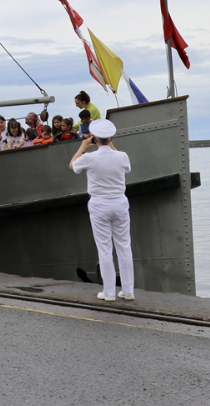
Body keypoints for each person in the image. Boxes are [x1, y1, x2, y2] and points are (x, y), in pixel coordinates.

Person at [69, 119, 134, 302]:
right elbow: (126, 168)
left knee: (104, 248)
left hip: (99, 205)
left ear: (94, 139)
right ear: (111, 137)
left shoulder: (90, 157)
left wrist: (82, 147)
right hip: (120, 203)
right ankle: (128, 290)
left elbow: (72, 166)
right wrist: (111, 144)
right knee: (124, 246)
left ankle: (109, 292)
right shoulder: (122, 156)